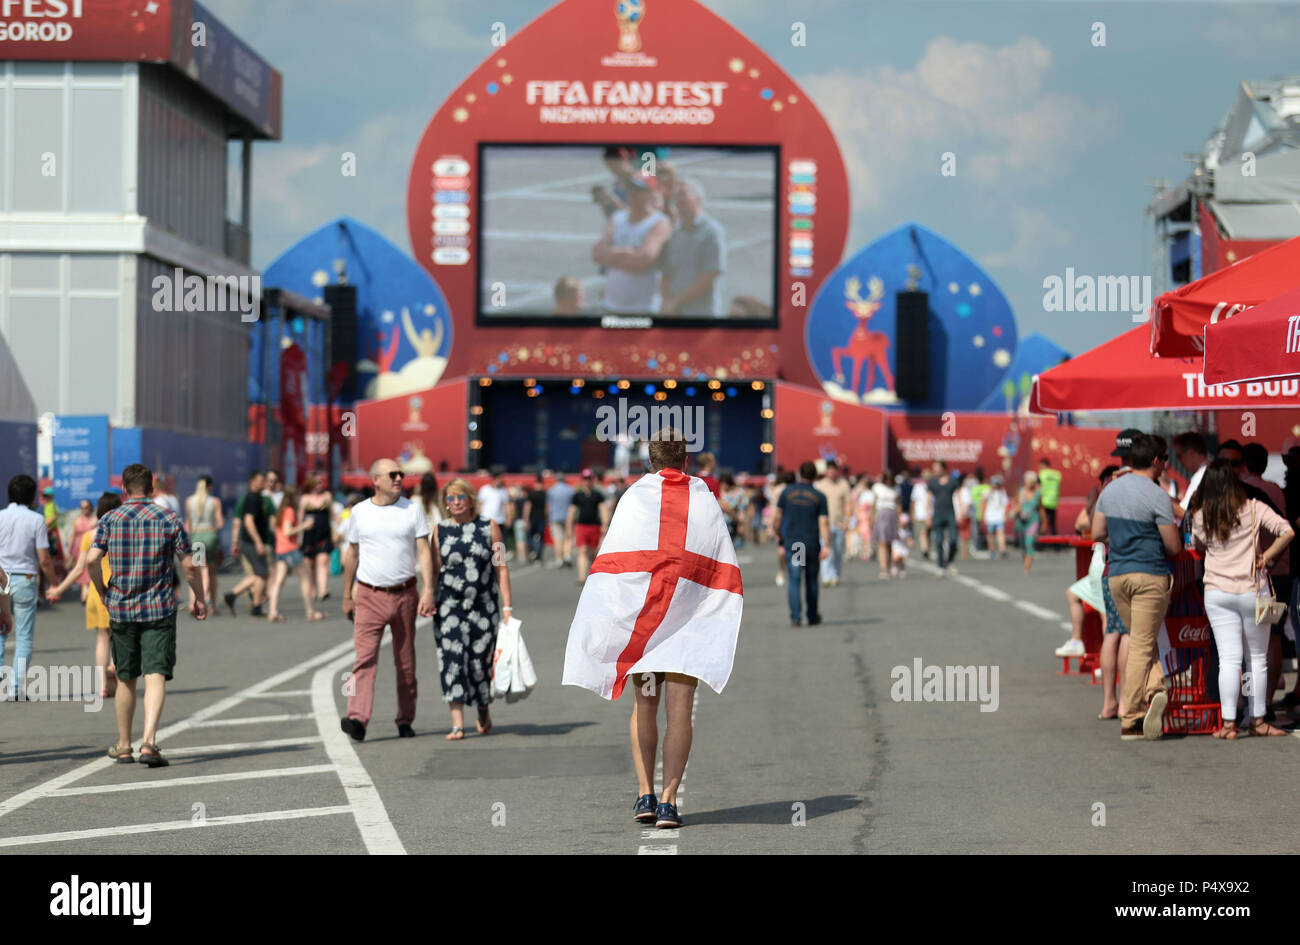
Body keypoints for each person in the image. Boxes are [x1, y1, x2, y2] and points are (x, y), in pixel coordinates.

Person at [562, 428, 742, 830]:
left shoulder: (634, 497)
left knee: (644, 704)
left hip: (645, 621)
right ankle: (669, 800)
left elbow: (614, 562)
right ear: (686, 460)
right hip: (686, 624)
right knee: (680, 711)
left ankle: (644, 792)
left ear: (650, 461)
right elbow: (719, 560)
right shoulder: (703, 498)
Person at [89, 464, 206, 766]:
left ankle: (124, 744)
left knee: (126, 677)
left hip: (122, 607)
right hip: (159, 608)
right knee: (155, 674)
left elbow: (91, 559)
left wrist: (103, 592)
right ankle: (150, 743)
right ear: (152, 488)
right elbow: (191, 565)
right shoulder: (168, 518)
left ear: (125, 490)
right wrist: (200, 598)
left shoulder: (110, 519)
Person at [1189, 459, 1294, 738]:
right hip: (1251, 591)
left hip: (1216, 593)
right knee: (1257, 658)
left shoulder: (1201, 515)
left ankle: (1228, 724)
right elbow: (1287, 531)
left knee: (1228, 659)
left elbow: (1198, 545)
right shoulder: (1253, 507)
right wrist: (1266, 557)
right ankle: (1258, 722)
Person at [1092, 433, 1182, 742]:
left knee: (1141, 639)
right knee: (1142, 643)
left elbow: (1096, 532)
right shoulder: (1157, 495)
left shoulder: (1110, 489)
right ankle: (1131, 718)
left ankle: (1156, 688)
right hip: (1150, 575)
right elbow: (1173, 546)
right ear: (1156, 461)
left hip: (1117, 576)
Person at [339, 458, 436, 742]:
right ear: (375, 480)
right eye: (392, 474)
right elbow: (352, 554)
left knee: (405, 662)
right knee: (364, 660)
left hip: (405, 593)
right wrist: (347, 595)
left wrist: (429, 590)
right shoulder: (359, 512)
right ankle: (357, 718)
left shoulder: (412, 510)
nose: (398, 478)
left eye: (400, 474)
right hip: (369, 594)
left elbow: (424, 551)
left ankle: (405, 719)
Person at [432, 478, 515, 740]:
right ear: (445, 503)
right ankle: (457, 723)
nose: (455, 503)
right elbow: (434, 571)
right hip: (448, 607)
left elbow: (500, 567)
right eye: (450, 498)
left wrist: (507, 606)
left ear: (470, 500)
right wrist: (427, 598)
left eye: (460, 497)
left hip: (483, 607)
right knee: (451, 660)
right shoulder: (439, 531)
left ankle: (482, 707)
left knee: (480, 664)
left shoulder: (489, 527)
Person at [47, 491, 123, 698]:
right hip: (119, 590)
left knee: (101, 638)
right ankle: (115, 667)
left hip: (96, 591)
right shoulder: (124, 534)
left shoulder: (90, 535)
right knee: (121, 636)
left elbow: (80, 568)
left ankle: (102, 686)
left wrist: (58, 589)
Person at [0, 475, 58, 699]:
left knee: (1, 630)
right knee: (24, 635)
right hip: (25, 578)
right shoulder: (36, 520)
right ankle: (15, 689)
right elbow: (44, 559)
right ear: (33, 496)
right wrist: (54, 584)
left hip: (1, 577)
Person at [593, 175, 670, 315]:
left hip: (643, 308)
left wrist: (611, 258)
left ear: (650, 193)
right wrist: (627, 252)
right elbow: (597, 254)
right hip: (611, 304)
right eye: (631, 189)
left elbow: (642, 261)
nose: (633, 194)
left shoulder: (659, 222)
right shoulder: (618, 218)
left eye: (638, 190)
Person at [658, 177, 727, 317]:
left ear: (698, 198)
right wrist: (666, 302)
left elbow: (710, 275)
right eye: (676, 196)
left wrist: (676, 302)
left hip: (701, 313)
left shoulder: (711, 231)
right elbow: (666, 272)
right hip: (674, 312)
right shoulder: (675, 234)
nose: (678, 200)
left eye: (683, 194)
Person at [772, 461, 830, 627]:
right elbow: (824, 522)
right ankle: (812, 615)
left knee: (795, 580)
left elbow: (777, 517)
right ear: (814, 476)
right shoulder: (819, 496)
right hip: (811, 542)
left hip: (795, 543)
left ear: (799, 474)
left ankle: (795, 617)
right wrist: (827, 545)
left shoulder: (787, 492)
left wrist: (777, 533)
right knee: (811, 579)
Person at [266, 485, 324, 623]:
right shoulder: (290, 511)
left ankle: (272, 611)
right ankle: (310, 611)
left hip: (280, 549)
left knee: (278, 581)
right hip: (290, 549)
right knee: (305, 579)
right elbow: (288, 531)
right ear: (293, 497)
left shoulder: (280, 511)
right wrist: (304, 526)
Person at [225, 471, 273, 616]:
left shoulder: (258, 498)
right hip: (250, 542)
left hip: (248, 542)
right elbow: (246, 521)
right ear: (252, 482)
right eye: (260, 481)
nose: (263, 483)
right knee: (262, 573)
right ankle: (252, 604)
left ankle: (235, 597)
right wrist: (258, 542)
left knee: (260, 574)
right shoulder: (252, 499)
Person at [184, 475, 223, 615]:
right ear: (210, 486)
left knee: (197, 570)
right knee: (211, 572)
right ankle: (210, 603)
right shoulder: (214, 501)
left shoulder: (189, 501)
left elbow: (188, 524)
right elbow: (220, 523)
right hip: (210, 535)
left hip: (197, 537)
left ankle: (191, 602)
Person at [568, 470, 609, 584]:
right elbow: (571, 512)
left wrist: (605, 525)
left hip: (594, 526)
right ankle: (581, 577)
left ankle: (593, 574)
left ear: (592, 480)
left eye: (589, 479)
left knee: (592, 553)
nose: (587, 481)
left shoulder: (597, 495)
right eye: (585, 479)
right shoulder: (577, 495)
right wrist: (569, 527)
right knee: (582, 550)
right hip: (581, 526)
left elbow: (603, 510)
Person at [300, 473, 336, 602]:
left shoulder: (327, 496)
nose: (319, 484)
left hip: (324, 533)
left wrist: (337, 531)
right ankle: (312, 589)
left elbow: (333, 515)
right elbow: (300, 518)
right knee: (309, 564)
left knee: (323, 560)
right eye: (317, 482)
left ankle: (322, 590)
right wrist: (298, 533)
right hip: (309, 535)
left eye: (321, 482)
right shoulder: (304, 498)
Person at [815, 460, 852, 586]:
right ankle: (826, 576)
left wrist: (847, 520)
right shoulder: (820, 485)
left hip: (839, 522)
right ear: (826, 471)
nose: (832, 472)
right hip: (824, 523)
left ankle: (835, 575)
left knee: (837, 551)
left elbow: (848, 503)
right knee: (826, 550)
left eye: (834, 470)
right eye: (829, 470)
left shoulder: (843, 484)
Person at [927, 461, 960, 576]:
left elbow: (957, 497)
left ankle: (950, 560)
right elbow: (928, 499)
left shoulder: (952, 481)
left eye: (937, 468)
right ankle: (941, 565)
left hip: (950, 513)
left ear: (943, 468)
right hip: (937, 514)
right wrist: (928, 515)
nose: (935, 470)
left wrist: (959, 513)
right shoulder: (932, 482)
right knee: (939, 541)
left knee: (954, 539)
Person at [1171, 431, 1209, 519]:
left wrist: (1157, 500)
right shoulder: (1206, 471)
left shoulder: (1202, 474)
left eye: (1179, 456)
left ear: (1191, 452)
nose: (1179, 461)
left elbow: (1184, 512)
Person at [871, 472, 900, 579]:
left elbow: (898, 504)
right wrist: (872, 516)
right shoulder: (878, 487)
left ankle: (889, 565)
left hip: (892, 514)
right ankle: (883, 568)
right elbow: (874, 503)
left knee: (890, 543)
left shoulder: (896, 489)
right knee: (882, 542)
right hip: (881, 514)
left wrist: (900, 518)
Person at [69, 499, 99, 602]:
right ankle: (85, 593)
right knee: (81, 570)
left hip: (91, 548)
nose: (84, 509)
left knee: (89, 570)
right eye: (82, 507)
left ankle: (85, 594)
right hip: (79, 549)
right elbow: (72, 536)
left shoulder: (95, 519)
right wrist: (69, 551)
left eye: (86, 507)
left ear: (90, 507)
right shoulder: (77, 520)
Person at [1013, 471, 1040, 575]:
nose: (1029, 483)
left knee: (1029, 542)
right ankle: (1026, 559)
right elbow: (1015, 504)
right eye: (1027, 481)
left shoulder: (1038, 493)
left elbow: (1040, 509)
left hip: (1033, 521)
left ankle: (1027, 569)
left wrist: (1044, 523)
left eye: (1031, 481)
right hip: (1021, 522)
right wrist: (1015, 510)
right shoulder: (1020, 492)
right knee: (1022, 545)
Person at [546, 473, 575, 567]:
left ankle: (559, 559)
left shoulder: (551, 490)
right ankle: (567, 555)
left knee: (558, 539)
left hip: (555, 517)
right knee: (568, 537)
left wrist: (548, 518)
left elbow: (548, 506)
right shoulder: (570, 490)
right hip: (568, 517)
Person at [522, 473, 548, 564]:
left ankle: (533, 550)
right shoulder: (545, 493)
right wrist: (547, 519)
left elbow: (527, 507)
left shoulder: (531, 493)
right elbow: (547, 508)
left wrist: (526, 519)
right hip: (541, 518)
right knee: (541, 538)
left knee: (530, 536)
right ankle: (539, 556)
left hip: (532, 518)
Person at [983, 474, 1009, 558]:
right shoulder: (987, 492)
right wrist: (983, 515)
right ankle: (991, 550)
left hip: (999, 516)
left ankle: (1002, 549)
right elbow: (983, 503)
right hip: (990, 516)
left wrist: (1005, 514)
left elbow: (1005, 504)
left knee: (1000, 533)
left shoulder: (1002, 492)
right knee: (990, 534)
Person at [909, 468, 931, 559]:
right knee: (923, 533)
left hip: (931, 513)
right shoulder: (918, 487)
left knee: (928, 533)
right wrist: (912, 513)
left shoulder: (933, 486)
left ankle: (927, 548)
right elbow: (913, 501)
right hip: (921, 514)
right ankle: (924, 549)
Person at [1037, 458, 1062, 536]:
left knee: (1042, 523)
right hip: (1053, 502)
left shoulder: (1041, 474)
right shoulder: (1057, 474)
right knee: (1052, 524)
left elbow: (1038, 489)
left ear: (1043, 465)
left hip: (1043, 502)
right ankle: (1056, 545)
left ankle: (1040, 545)